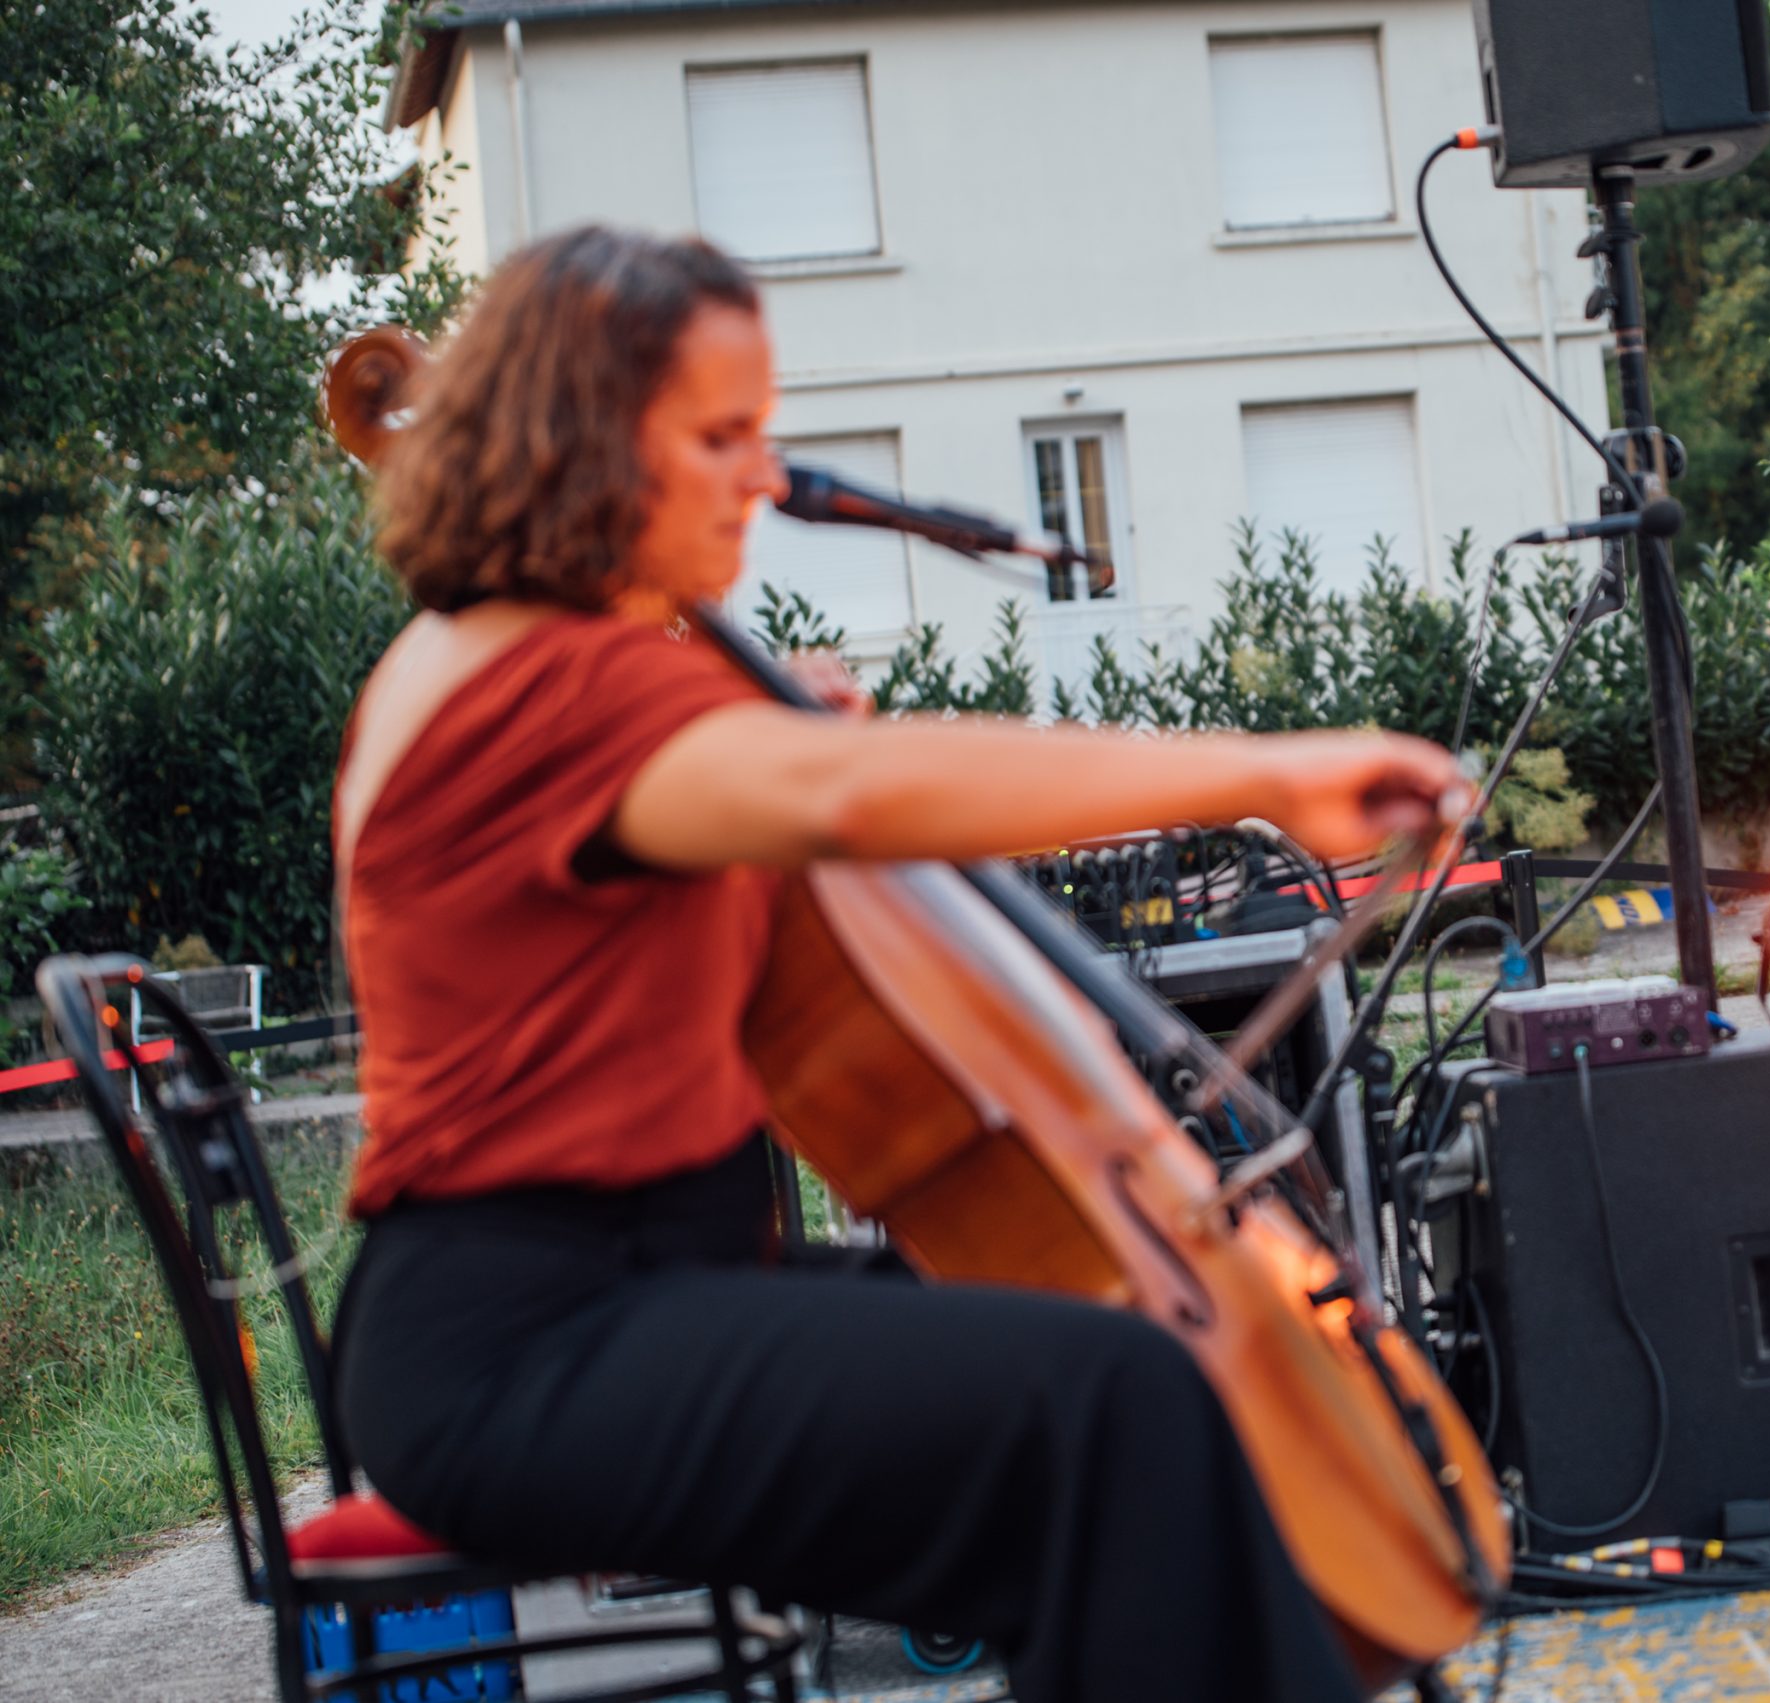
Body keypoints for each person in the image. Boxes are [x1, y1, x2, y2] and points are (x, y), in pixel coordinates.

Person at [329, 227, 1468, 1703]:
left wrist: (759, 730)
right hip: (524, 1349)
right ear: (582, 441)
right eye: (719, 436)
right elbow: (852, 799)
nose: (763, 477)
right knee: (1109, 1402)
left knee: (1113, 1386)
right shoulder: (544, 688)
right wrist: (1262, 772)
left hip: (629, 1297)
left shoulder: (542, 668)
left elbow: (787, 828)